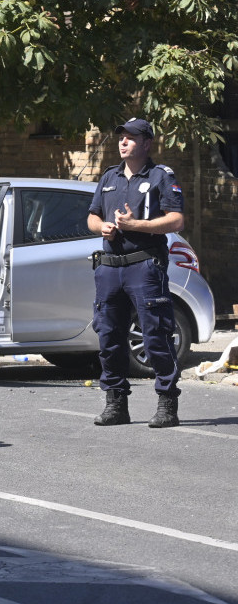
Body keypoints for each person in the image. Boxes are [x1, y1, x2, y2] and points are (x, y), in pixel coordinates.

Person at [87, 117, 185, 428]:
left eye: (131, 137)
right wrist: (102, 227)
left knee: (155, 335)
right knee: (109, 336)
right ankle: (116, 404)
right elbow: (92, 217)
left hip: (144, 266)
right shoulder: (109, 176)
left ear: (147, 143)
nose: (123, 142)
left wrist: (136, 225)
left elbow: (176, 219)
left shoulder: (160, 176)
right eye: (121, 137)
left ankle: (167, 403)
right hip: (109, 268)